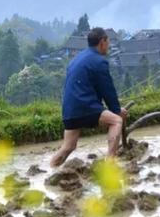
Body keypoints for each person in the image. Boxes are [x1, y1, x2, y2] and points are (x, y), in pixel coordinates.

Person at [50, 27, 127, 167]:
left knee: (68, 146)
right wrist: (116, 111)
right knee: (116, 121)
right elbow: (107, 90)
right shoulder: (99, 61)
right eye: (108, 41)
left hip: (69, 109)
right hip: (84, 105)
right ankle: (110, 164)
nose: (108, 45)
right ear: (102, 42)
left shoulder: (78, 58)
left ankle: (51, 169)